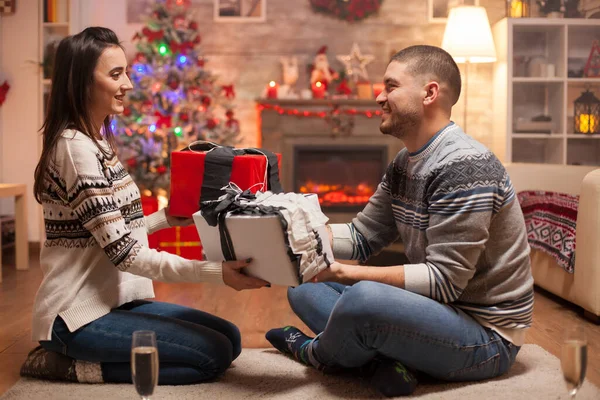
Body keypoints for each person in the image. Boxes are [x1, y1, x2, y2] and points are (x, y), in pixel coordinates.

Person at [266, 45, 534, 397]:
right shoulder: (404, 163)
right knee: (303, 287)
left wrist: (345, 272)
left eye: (390, 86)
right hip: (433, 312)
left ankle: (316, 353)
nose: (379, 97)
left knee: (363, 299)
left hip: (485, 336)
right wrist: (289, 235)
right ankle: (391, 360)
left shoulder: (464, 164)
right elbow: (362, 237)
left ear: (429, 93)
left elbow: (444, 282)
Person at [29, 27, 269, 385]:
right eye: (115, 74)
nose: (127, 83)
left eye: (126, 71)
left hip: (112, 303)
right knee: (212, 356)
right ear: (81, 83)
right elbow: (125, 253)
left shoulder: (96, 141)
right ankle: (65, 365)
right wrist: (215, 272)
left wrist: (166, 219)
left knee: (230, 340)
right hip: (75, 317)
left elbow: (110, 229)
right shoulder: (75, 150)